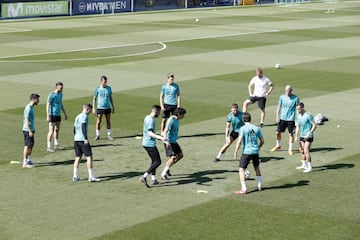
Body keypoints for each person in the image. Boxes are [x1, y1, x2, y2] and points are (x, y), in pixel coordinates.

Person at [234, 112, 264, 195]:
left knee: (241, 169)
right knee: (257, 167)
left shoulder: (243, 129)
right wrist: (258, 147)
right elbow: (262, 141)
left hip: (246, 152)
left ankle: (244, 189)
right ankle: (259, 186)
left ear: (243, 119)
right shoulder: (256, 128)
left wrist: (235, 152)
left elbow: (239, 141)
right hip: (255, 152)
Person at [139, 105, 167, 188]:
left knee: (154, 161)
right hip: (149, 144)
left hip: (145, 142)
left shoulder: (147, 117)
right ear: (157, 111)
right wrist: (160, 137)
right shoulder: (151, 120)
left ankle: (153, 179)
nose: (159, 114)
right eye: (159, 112)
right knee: (158, 161)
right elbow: (150, 133)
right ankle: (144, 176)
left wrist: (157, 136)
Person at [73, 104, 101, 182]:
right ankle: (91, 176)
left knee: (78, 157)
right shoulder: (84, 116)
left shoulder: (77, 116)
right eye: (90, 110)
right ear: (87, 109)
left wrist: (75, 137)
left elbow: (74, 129)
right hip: (82, 140)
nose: (91, 112)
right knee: (89, 157)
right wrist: (85, 138)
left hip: (76, 139)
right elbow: (83, 127)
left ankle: (75, 176)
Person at [270, 85, 300, 155]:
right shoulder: (282, 97)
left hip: (291, 119)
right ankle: (278, 145)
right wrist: (277, 116)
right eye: (286, 91)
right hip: (282, 118)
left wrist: (297, 119)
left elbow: (297, 109)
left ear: (291, 91)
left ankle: (290, 149)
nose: (287, 92)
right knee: (277, 133)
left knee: (290, 134)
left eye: (289, 91)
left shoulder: (295, 98)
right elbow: (279, 107)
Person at [160, 107, 187, 180]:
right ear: (178, 114)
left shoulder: (177, 120)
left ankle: (168, 166)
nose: (183, 116)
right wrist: (167, 142)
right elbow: (165, 131)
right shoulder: (171, 120)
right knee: (173, 157)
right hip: (169, 141)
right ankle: (163, 173)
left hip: (174, 141)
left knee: (180, 155)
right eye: (183, 115)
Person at [294, 102, 317, 173]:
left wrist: (309, 133)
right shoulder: (298, 115)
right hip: (302, 135)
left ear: (302, 107)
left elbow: (314, 125)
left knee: (306, 150)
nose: (297, 111)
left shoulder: (308, 115)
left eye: (299, 109)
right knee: (302, 151)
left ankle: (309, 167)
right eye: (297, 109)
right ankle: (304, 164)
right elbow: (297, 126)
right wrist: (296, 136)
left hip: (308, 136)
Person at [46, 82, 68, 152]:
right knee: (51, 130)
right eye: (60, 87)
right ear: (57, 87)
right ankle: (48, 146)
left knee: (57, 129)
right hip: (52, 114)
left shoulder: (61, 94)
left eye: (62, 87)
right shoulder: (52, 95)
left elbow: (60, 104)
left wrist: (65, 113)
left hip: (58, 114)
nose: (62, 89)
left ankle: (56, 145)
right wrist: (47, 115)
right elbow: (48, 104)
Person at [93, 76, 115, 141]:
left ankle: (109, 135)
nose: (105, 83)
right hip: (100, 107)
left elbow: (110, 97)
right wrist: (94, 108)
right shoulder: (98, 89)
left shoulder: (109, 88)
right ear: (101, 81)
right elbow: (94, 98)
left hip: (107, 107)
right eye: (104, 82)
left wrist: (113, 106)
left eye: (106, 82)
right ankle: (97, 135)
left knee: (108, 120)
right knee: (98, 121)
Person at [22, 94, 40, 168]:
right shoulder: (28, 108)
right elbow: (26, 120)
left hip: (31, 129)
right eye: (37, 99)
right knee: (27, 145)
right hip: (27, 130)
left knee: (31, 145)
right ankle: (24, 163)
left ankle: (28, 160)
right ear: (33, 99)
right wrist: (29, 131)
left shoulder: (32, 107)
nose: (38, 101)